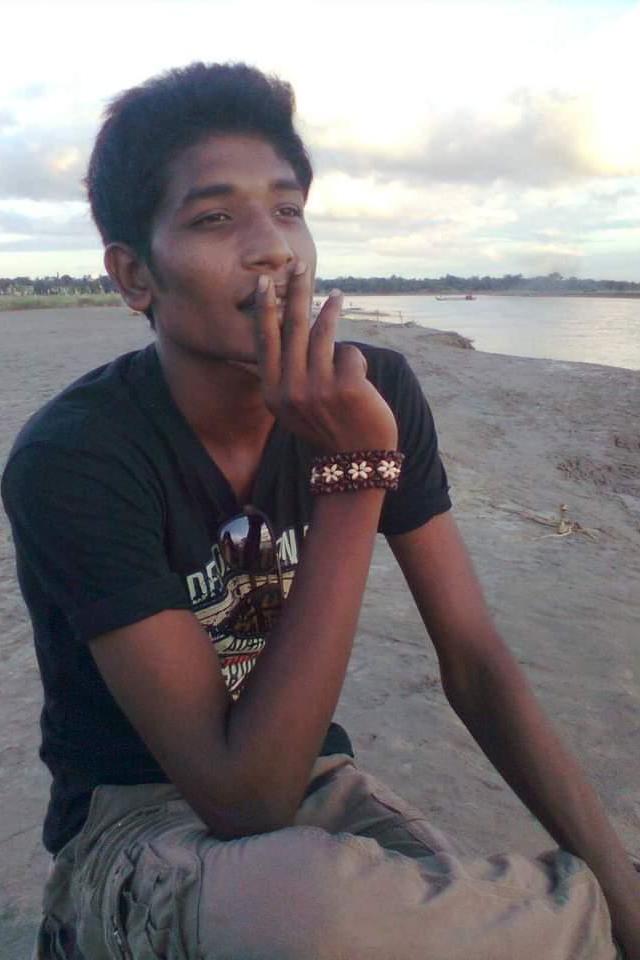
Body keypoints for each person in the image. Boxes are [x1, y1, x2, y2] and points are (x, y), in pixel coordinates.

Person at [2, 62, 638, 960]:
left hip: (316, 779)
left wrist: (617, 881)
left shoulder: (380, 389)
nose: (274, 249)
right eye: (215, 218)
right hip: (135, 820)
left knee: (372, 909)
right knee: (312, 914)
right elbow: (241, 801)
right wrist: (355, 475)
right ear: (134, 274)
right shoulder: (78, 456)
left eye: (289, 209)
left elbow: (475, 658)